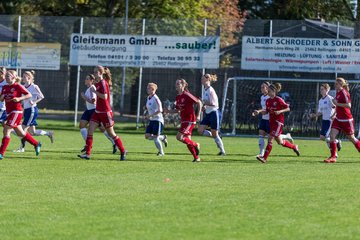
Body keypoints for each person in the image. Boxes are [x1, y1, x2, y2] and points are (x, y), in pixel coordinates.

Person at [78, 66, 126, 160]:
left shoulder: (103, 83)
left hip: (105, 112)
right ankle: (87, 154)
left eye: (96, 72)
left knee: (112, 134)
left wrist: (94, 91)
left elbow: (104, 96)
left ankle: (123, 151)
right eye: (94, 72)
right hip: (97, 112)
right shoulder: (98, 83)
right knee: (90, 131)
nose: (95, 74)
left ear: (100, 73)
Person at [252, 83, 299, 163]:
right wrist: (259, 112)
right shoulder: (268, 100)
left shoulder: (278, 99)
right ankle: (294, 147)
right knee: (280, 142)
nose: (268, 93)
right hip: (271, 122)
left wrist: (280, 111)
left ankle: (264, 158)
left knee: (270, 138)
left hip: (278, 123)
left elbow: (288, 108)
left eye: (269, 91)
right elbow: (266, 111)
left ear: (274, 91)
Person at [0, 70, 41, 159]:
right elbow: (2, 99)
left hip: (17, 111)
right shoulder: (5, 87)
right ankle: (36, 144)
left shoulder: (18, 86)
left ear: (14, 77)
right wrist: (2, 97)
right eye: (6, 76)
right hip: (9, 112)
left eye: (8, 76)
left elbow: (29, 94)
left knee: (6, 130)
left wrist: (19, 98)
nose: (6, 77)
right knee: (21, 133)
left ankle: (1, 153)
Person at [12, 70, 54, 153]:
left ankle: (22, 148)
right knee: (32, 132)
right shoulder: (23, 86)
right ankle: (49, 133)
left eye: (24, 77)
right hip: (26, 110)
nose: (23, 78)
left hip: (32, 110)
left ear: (29, 78)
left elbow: (41, 96)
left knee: (22, 130)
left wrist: (33, 102)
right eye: (23, 77)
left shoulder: (34, 86)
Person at [165, 78, 202, 162]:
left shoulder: (187, 94)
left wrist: (198, 115)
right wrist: (168, 111)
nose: (176, 85)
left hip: (190, 120)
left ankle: (196, 144)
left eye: (178, 83)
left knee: (179, 137)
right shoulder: (178, 97)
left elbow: (199, 102)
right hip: (184, 120)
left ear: (183, 85)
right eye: (176, 84)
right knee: (187, 140)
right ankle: (196, 158)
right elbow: (178, 110)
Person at [324, 78, 360, 163]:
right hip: (338, 119)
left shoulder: (344, 92)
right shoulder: (338, 92)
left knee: (352, 138)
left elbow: (349, 105)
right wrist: (334, 114)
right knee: (332, 136)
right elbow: (338, 106)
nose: (335, 85)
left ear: (341, 84)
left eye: (336, 83)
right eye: (335, 83)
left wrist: (336, 103)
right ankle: (333, 157)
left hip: (346, 120)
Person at [79, 74, 117, 154]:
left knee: (103, 129)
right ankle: (88, 145)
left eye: (87, 79)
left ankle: (114, 143)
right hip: (88, 110)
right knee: (82, 125)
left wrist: (84, 97)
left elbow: (93, 101)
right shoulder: (89, 88)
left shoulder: (92, 88)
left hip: (94, 110)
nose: (85, 80)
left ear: (91, 80)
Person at [197, 73, 225, 155]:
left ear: (208, 80)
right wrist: (204, 106)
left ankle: (222, 151)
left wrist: (203, 102)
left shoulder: (211, 90)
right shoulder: (205, 90)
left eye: (203, 79)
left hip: (214, 113)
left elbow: (214, 103)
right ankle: (217, 136)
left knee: (214, 133)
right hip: (208, 113)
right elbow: (207, 103)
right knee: (200, 130)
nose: (201, 80)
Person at [310, 83, 341, 156]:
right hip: (324, 121)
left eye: (322, 89)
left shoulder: (330, 98)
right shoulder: (320, 101)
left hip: (330, 120)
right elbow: (320, 112)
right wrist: (314, 115)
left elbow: (337, 107)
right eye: (320, 89)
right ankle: (336, 142)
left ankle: (334, 153)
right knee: (323, 138)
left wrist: (334, 115)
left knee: (324, 137)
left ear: (327, 90)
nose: (321, 91)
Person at [144, 83, 168, 156]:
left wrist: (150, 115)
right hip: (152, 120)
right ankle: (163, 137)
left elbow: (160, 110)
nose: (147, 89)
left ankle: (161, 152)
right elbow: (149, 106)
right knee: (147, 136)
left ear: (153, 89)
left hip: (158, 120)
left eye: (148, 88)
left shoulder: (156, 98)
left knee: (155, 137)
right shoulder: (148, 97)